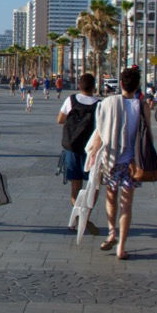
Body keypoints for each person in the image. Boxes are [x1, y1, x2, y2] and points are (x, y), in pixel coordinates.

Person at [85, 66, 147, 260]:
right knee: (127, 204)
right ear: (138, 86)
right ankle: (121, 246)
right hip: (132, 162)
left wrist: (94, 155)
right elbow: (147, 136)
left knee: (111, 197)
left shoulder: (107, 103)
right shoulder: (142, 106)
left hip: (111, 160)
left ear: (121, 83)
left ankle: (112, 232)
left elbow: (100, 134)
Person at [57, 72, 101, 235]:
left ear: (79, 86)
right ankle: (86, 215)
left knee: (75, 186)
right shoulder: (99, 105)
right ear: (94, 86)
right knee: (93, 187)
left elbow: (60, 120)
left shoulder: (71, 100)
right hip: (92, 151)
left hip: (72, 149)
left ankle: (76, 219)